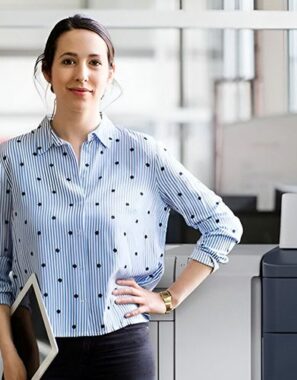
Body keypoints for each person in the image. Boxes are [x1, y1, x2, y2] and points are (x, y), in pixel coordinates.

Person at [0, 14, 242, 380]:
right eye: (68, 61)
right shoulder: (12, 159)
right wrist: (11, 359)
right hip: (39, 348)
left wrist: (168, 297)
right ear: (48, 72)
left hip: (121, 345)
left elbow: (222, 225)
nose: (82, 74)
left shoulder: (143, 152)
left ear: (110, 73)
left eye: (94, 62)